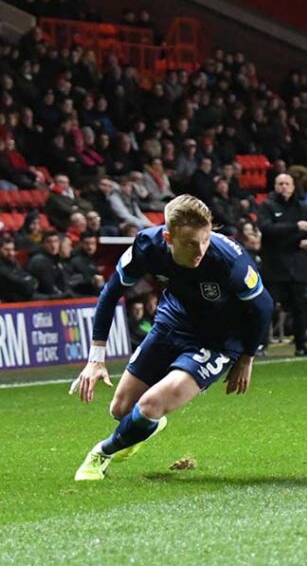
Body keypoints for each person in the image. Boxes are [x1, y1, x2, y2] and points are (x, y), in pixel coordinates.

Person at [69, 195, 273, 481]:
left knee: (150, 405)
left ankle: (101, 454)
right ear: (168, 237)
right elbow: (111, 293)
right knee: (121, 409)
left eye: (205, 240)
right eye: (190, 243)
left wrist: (247, 357)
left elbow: (264, 306)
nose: (200, 250)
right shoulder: (147, 245)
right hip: (173, 322)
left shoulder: (229, 260)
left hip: (218, 340)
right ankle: (148, 425)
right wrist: (95, 359)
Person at [258, 173, 307, 356]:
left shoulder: (303, 208)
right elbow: (266, 228)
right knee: (267, 307)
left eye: (287, 183)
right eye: (280, 183)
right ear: (275, 186)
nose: (284, 187)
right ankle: (261, 345)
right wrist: (295, 227)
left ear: (293, 187)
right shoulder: (267, 206)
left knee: (299, 307)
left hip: (297, 265)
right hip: (274, 265)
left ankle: (301, 345)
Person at [26, 230, 74, 299]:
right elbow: (49, 288)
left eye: (56, 241)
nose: (53, 245)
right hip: (41, 299)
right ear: (43, 244)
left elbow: (63, 283)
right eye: (49, 242)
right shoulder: (39, 261)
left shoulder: (55, 259)